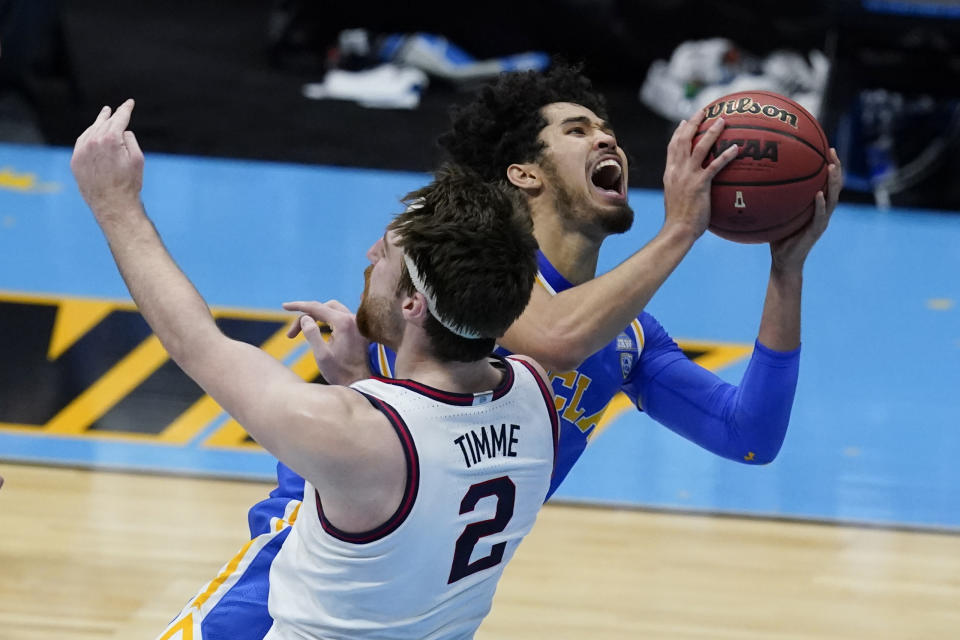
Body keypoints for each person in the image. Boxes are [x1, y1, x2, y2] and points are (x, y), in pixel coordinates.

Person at [161, 64, 844, 639]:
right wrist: (681, 229)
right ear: (523, 173)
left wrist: (786, 271)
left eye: (606, 129)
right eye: (576, 130)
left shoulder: (626, 339)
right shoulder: (464, 275)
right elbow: (553, 337)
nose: (606, 136)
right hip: (290, 595)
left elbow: (749, 435)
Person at [71, 100, 559, 640]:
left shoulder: (352, 435)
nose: (373, 252)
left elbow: (195, 344)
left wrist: (114, 203)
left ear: (413, 305)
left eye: (388, 254)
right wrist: (361, 383)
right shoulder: (536, 394)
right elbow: (429, 482)